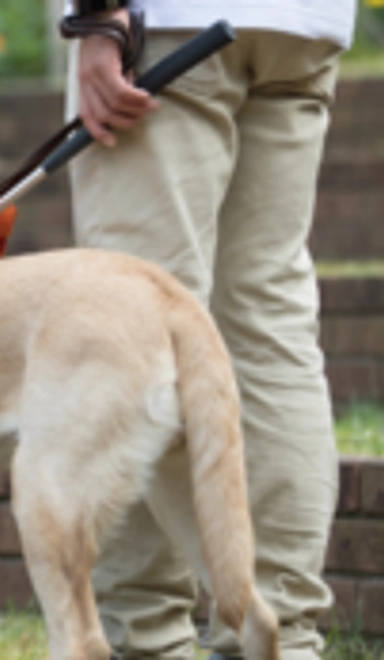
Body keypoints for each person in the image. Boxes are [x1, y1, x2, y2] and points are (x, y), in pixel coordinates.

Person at [61, 1, 358, 658]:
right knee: (269, 329)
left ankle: (146, 639)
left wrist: (98, 16)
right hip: (302, 28)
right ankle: (281, 638)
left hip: (166, 25)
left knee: (131, 334)